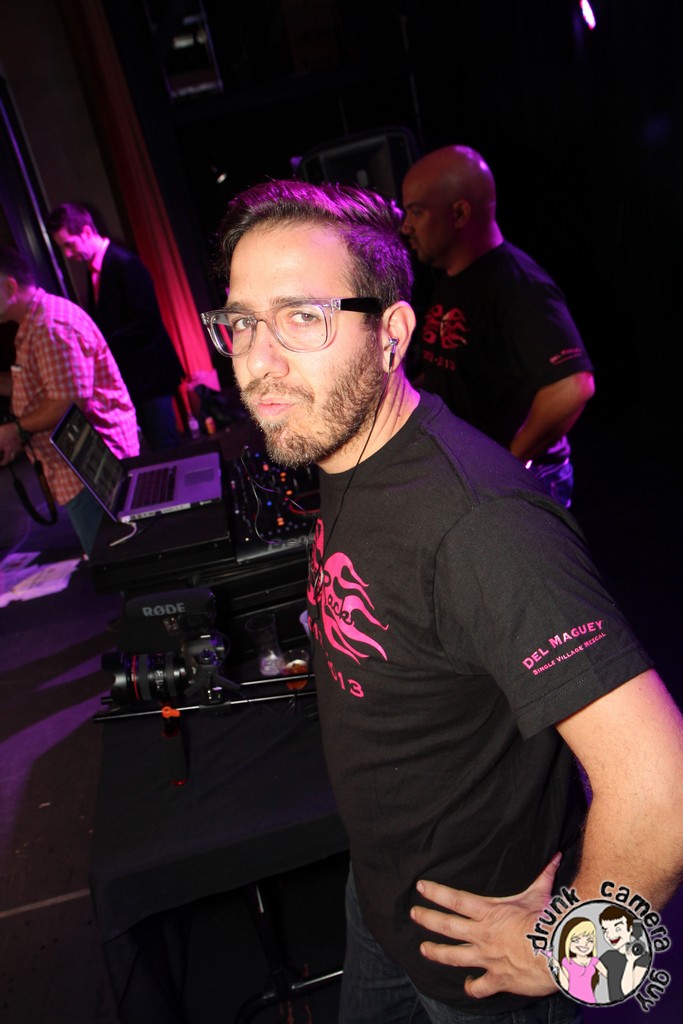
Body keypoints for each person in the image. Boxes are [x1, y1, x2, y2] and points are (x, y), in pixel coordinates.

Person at [201, 178, 683, 1024]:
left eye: (301, 318)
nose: (257, 362)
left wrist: (566, 955)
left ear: (391, 335)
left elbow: (664, 787)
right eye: (241, 323)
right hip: (387, 899)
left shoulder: (477, 524)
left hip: (481, 960)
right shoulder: (349, 448)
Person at [401, 145, 595, 507]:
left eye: (416, 211)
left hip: (517, 485)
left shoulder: (518, 287)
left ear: (459, 213)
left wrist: (508, 462)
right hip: (474, 476)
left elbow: (573, 386)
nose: (405, 226)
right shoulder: (453, 277)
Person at [0, 246, 139, 555]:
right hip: (81, 469)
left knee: (112, 561)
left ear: (9, 286)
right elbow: (34, 384)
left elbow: (67, 404)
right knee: (111, 558)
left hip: (90, 469)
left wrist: (15, 429)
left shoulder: (50, 325)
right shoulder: (34, 322)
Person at [46, 202, 185, 451]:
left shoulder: (125, 263)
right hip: (136, 378)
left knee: (166, 449)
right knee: (154, 450)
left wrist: (99, 345)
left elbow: (147, 321)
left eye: (69, 245)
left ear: (86, 232)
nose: (67, 254)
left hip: (150, 377)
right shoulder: (95, 269)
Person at [598, 906, 651, 1002]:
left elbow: (627, 991)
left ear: (630, 929)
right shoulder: (608, 956)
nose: (610, 935)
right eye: (605, 930)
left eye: (617, 928)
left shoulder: (642, 957)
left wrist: (630, 961)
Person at [551, 917, 607, 1003]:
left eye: (590, 940)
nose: (584, 944)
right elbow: (565, 986)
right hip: (570, 1002)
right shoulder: (567, 962)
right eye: (576, 940)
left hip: (590, 1000)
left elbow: (610, 976)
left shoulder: (594, 961)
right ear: (567, 941)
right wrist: (558, 967)